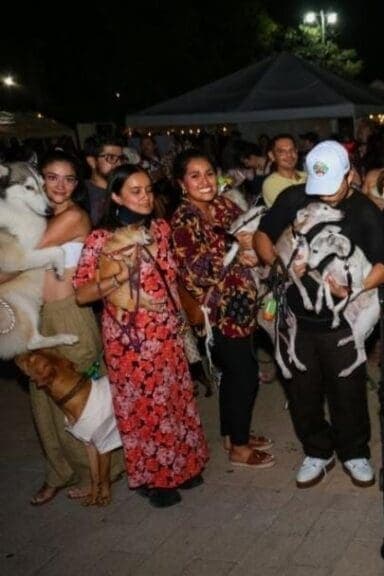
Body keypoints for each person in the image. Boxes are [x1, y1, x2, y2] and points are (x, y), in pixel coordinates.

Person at [254, 141, 384, 489]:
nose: (324, 196)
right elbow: (261, 236)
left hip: (340, 321)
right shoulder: (293, 197)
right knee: (302, 390)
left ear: (349, 174)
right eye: (319, 188)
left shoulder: (363, 211)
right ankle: (317, 450)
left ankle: (354, 452)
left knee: (347, 389)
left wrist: (354, 290)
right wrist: (278, 267)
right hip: (294, 320)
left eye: (332, 186)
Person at [72, 164, 208, 508]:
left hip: (168, 333)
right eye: (135, 191)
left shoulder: (160, 229)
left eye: (148, 189)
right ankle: (154, 478)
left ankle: (184, 465)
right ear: (115, 196)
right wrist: (115, 278)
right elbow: (82, 293)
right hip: (129, 342)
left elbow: (171, 278)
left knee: (177, 400)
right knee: (145, 408)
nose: (145, 197)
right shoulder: (100, 239)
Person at [15, 151, 124, 505]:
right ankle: (58, 473)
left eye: (69, 179)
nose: (60, 185)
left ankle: (96, 472)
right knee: (43, 400)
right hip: (37, 313)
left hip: (68, 314)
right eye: (52, 177)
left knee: (83, 400)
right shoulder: (37, 215)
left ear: (77, 184)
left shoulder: (74, 217)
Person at [169, 150, 275, 471]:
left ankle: (233, 435)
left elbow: (252, 241)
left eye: (209, 174)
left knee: (234, 376)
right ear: (181, 183)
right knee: (244, 376)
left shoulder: (224, 205)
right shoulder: (183, 220)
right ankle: (239, 449)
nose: (205, 181)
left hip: (243, 305)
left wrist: (251, 249)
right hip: (219, 312)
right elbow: (195, 272)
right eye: (195, 175)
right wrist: (236, 246)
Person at [83, 136, 126, 226]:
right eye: (111, 158)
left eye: (121, 158)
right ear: (92, 161)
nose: (119, 164)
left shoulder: (124, 188)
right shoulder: (82, 194)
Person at [261, 134, 306, 207]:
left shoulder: (307, 176)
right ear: (272, 156)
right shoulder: (271, 183)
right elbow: (291, 210)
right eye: (282, 151)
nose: (289, 155)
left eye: (292, 150)